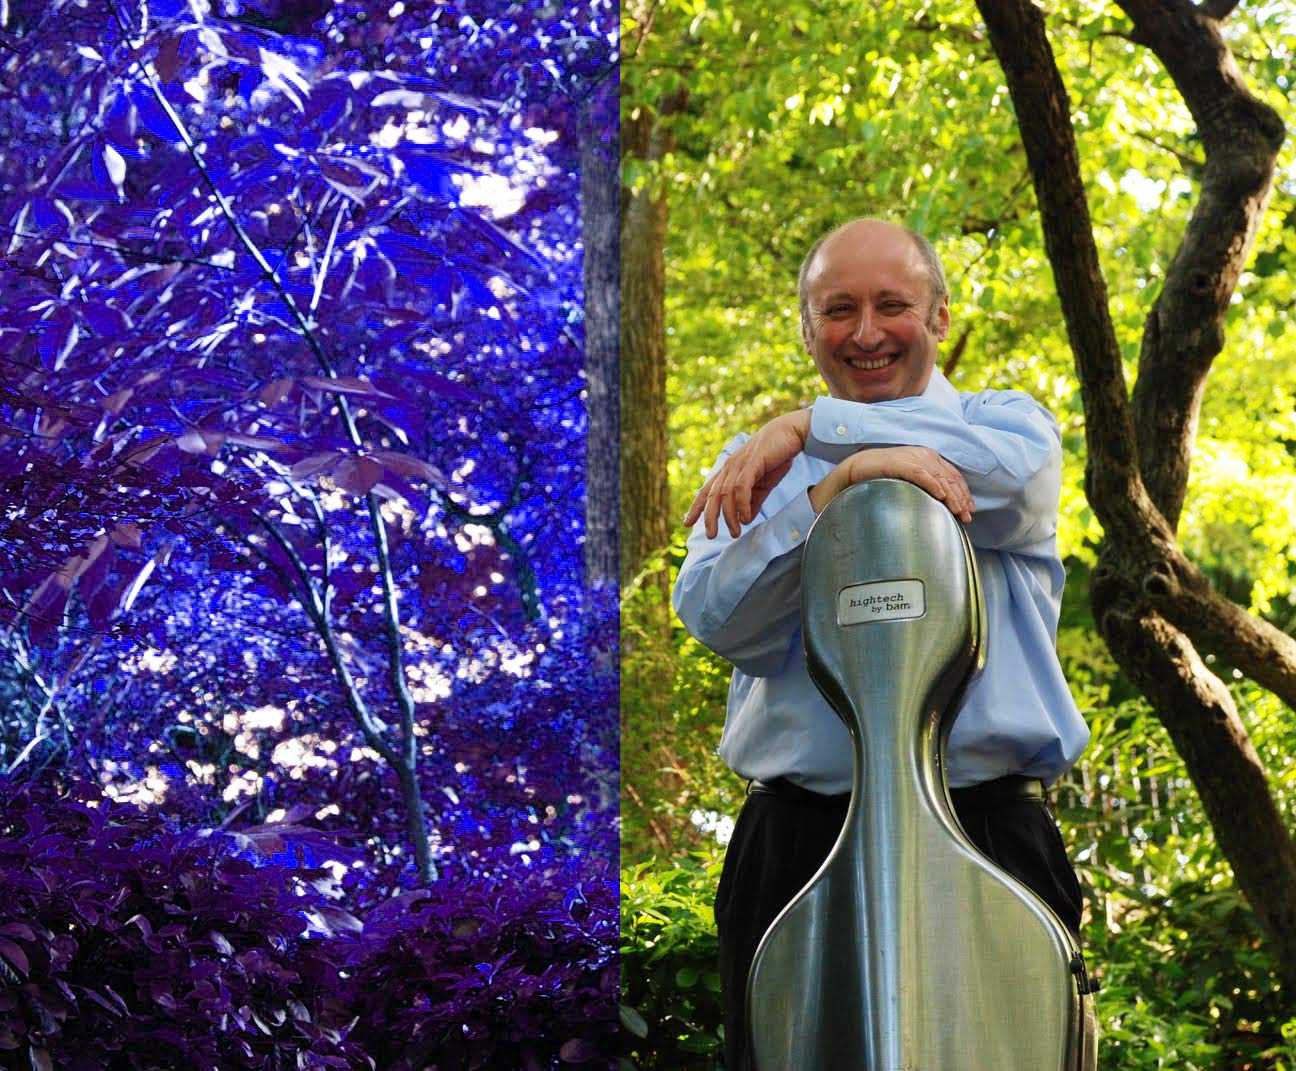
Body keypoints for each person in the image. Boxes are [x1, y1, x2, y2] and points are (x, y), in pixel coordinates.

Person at [672, 218, 1092, 1071]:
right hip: (797, 842)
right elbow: (720, 617)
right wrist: (833, 488)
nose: (866, 332)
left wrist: (817, 428)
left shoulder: (1005, 428)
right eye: (839, 309)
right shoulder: (761, 468)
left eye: (892, 304)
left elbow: (1009, 490)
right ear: (807, 325)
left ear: (938, 316)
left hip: (990, 830)